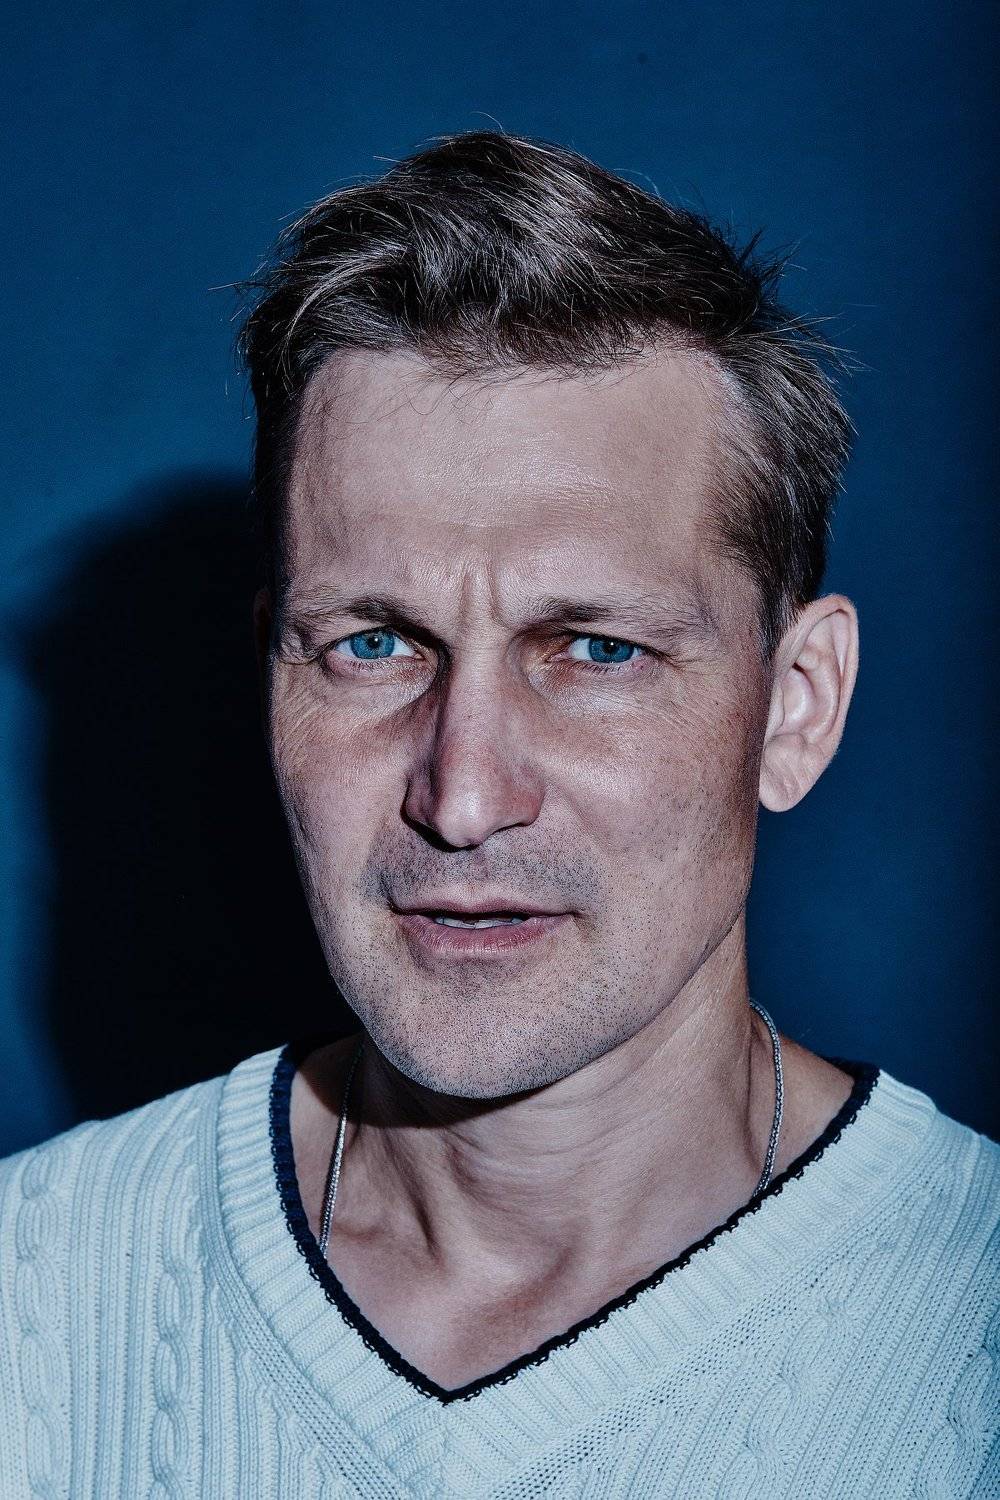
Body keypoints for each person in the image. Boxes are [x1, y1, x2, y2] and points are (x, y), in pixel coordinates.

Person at [1, 131, 996, 1499]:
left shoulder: (969, 1330)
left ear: (796, 706)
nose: (462, 799)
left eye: (596, 650)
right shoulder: (34, 1295)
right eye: (372, 645)